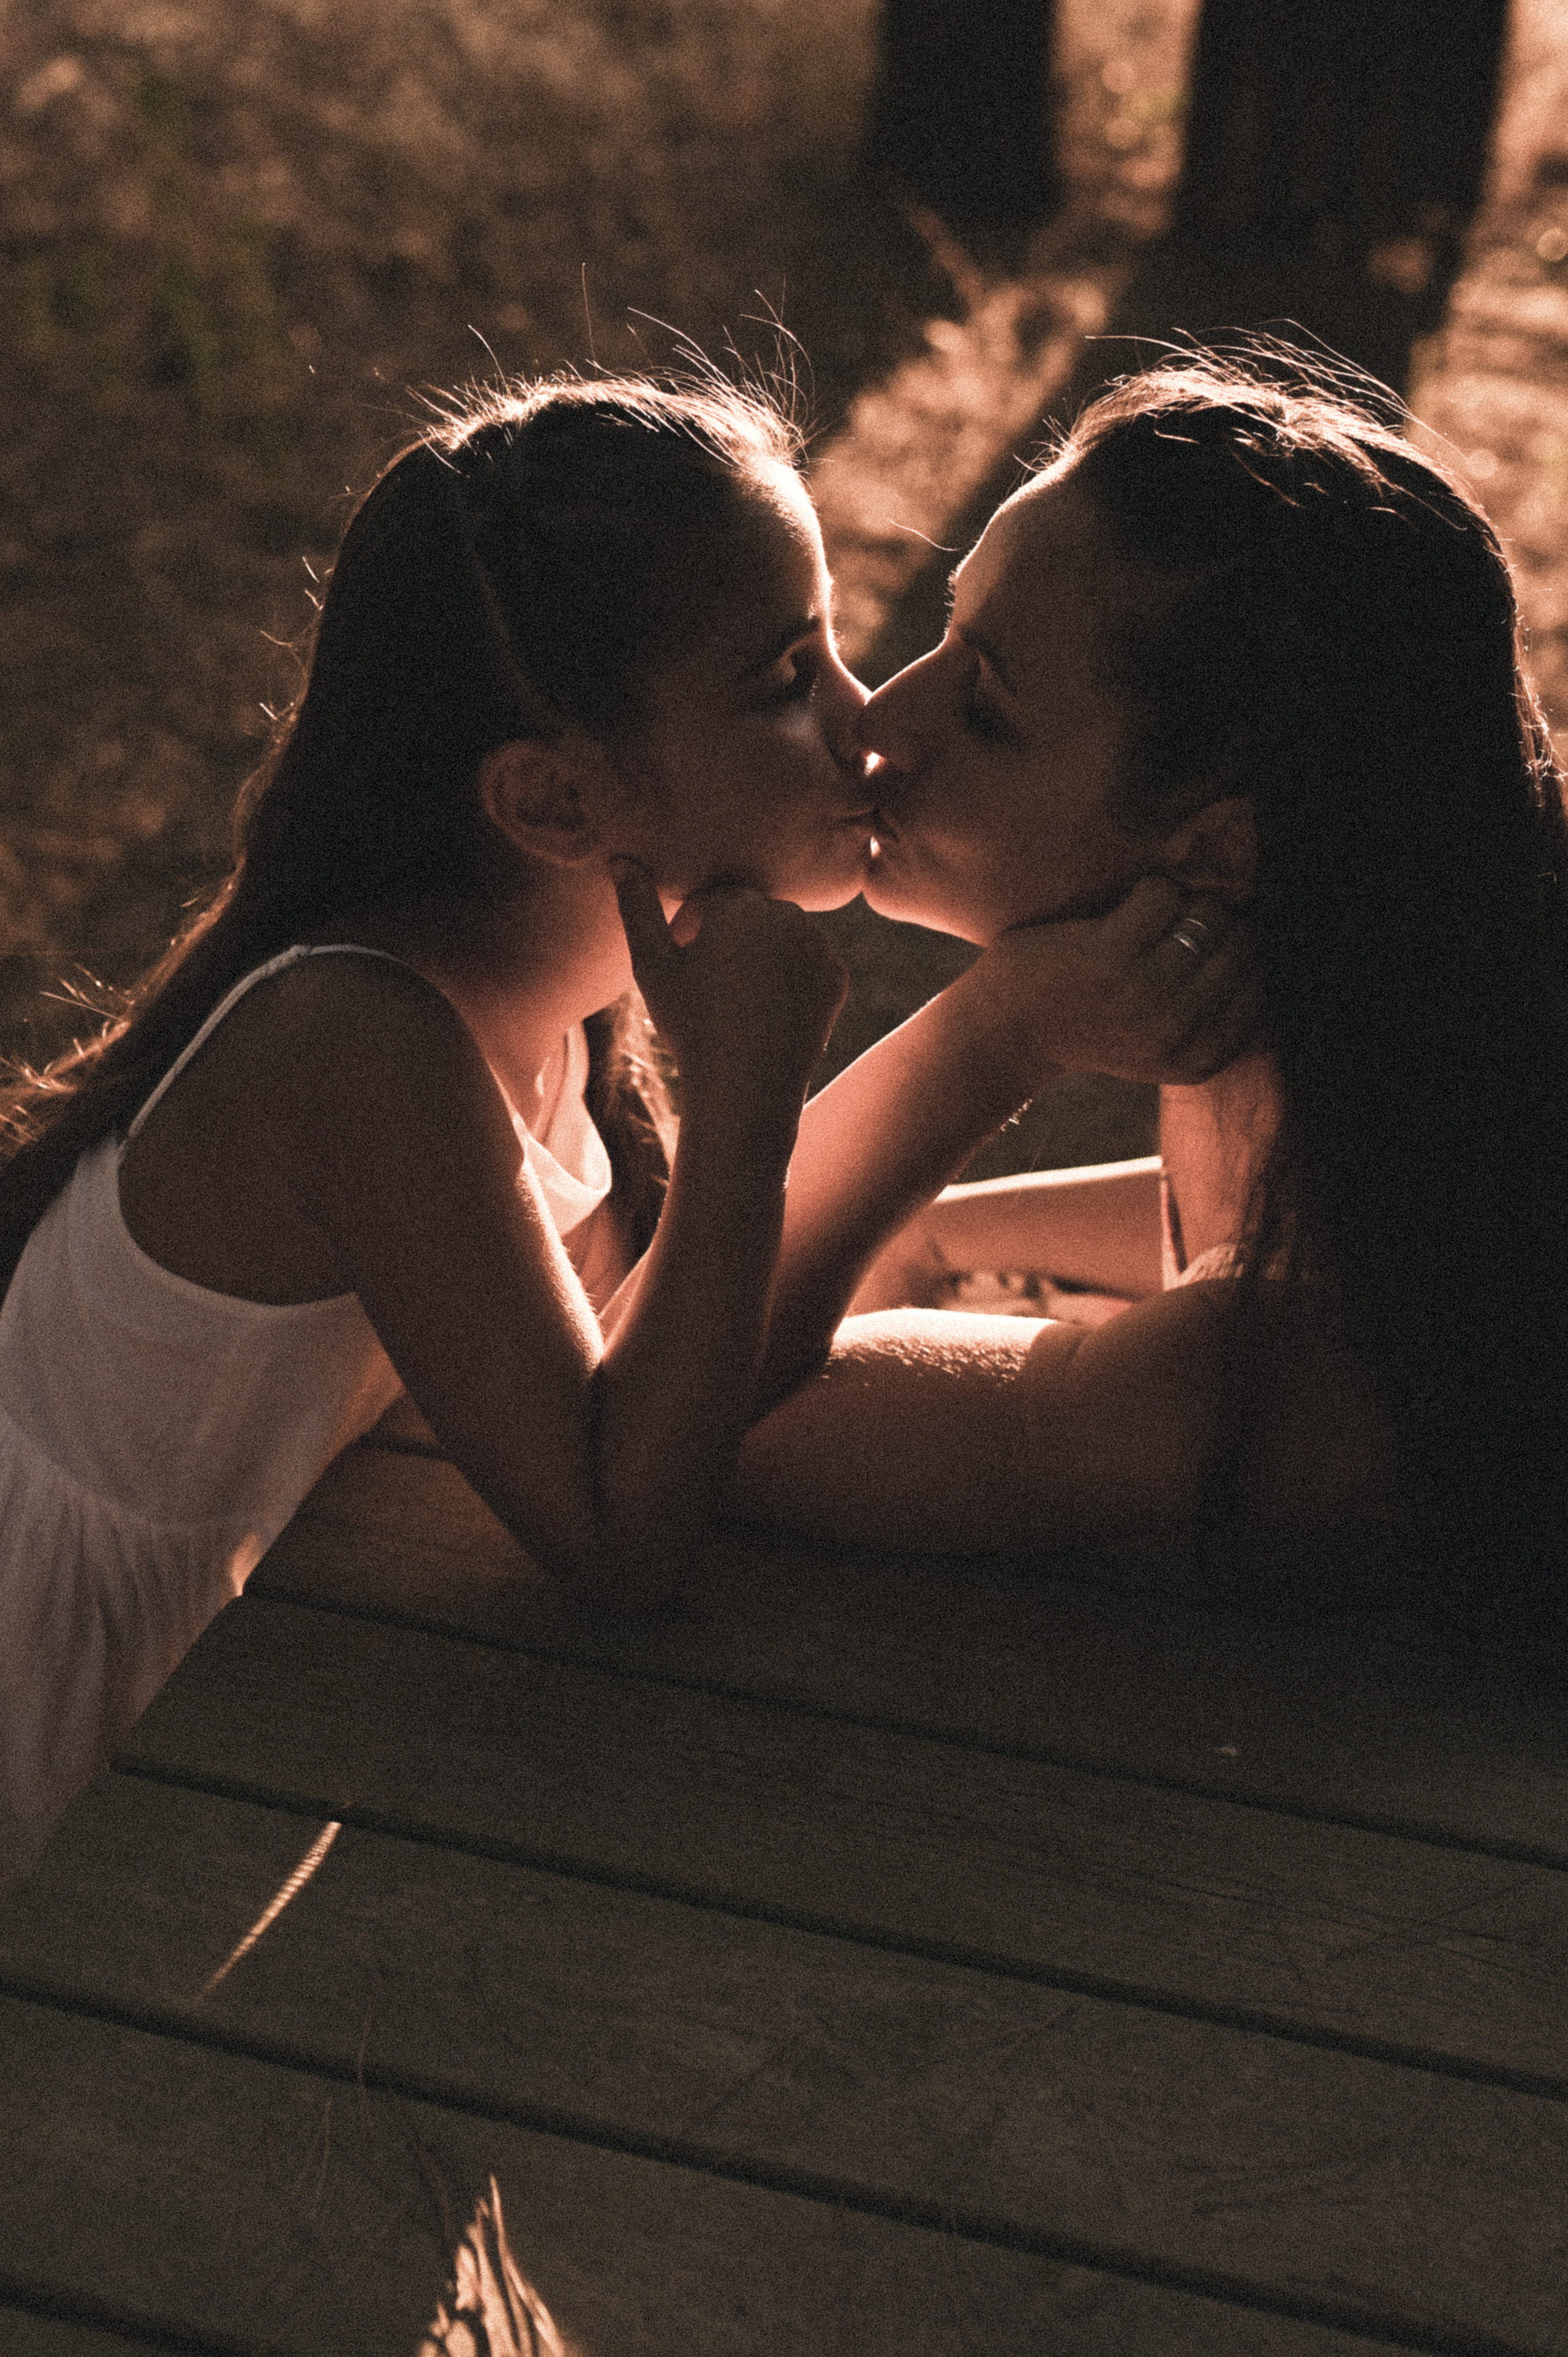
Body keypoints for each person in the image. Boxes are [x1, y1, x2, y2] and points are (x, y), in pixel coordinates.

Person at [0, 372, 1244, 1888]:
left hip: (259, 1716)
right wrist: (915, 1059)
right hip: (76, 1780)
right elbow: (619, 1532)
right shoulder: (356, 1040)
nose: (864, 723)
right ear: (551, 801)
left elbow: (662, 1366)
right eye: (788, 677)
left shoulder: (560, 999)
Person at [737, 356, 1568, 1623]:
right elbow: (1118, 1229)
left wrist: (988, 1036)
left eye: (990, 708)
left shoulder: (1260, 1372)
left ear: (1222, 846)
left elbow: (674, 1427)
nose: (882, 727)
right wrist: (932, 1229)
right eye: (946, 637)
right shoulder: (1393, 1155)